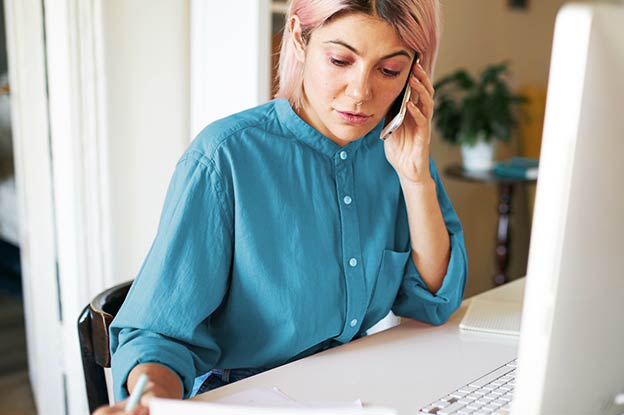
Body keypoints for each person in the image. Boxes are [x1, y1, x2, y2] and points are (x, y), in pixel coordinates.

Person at [94, 0, 467, 413]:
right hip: (238, 397)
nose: (361, 93)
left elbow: (433, 303)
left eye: (389, 70)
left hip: (349, 388)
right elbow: (160, 334)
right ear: (297, 37)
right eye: (341, 60)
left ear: (414, 72)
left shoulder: (396, 151)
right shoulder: (224, 158)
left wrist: (416, 179)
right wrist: (151, 403)